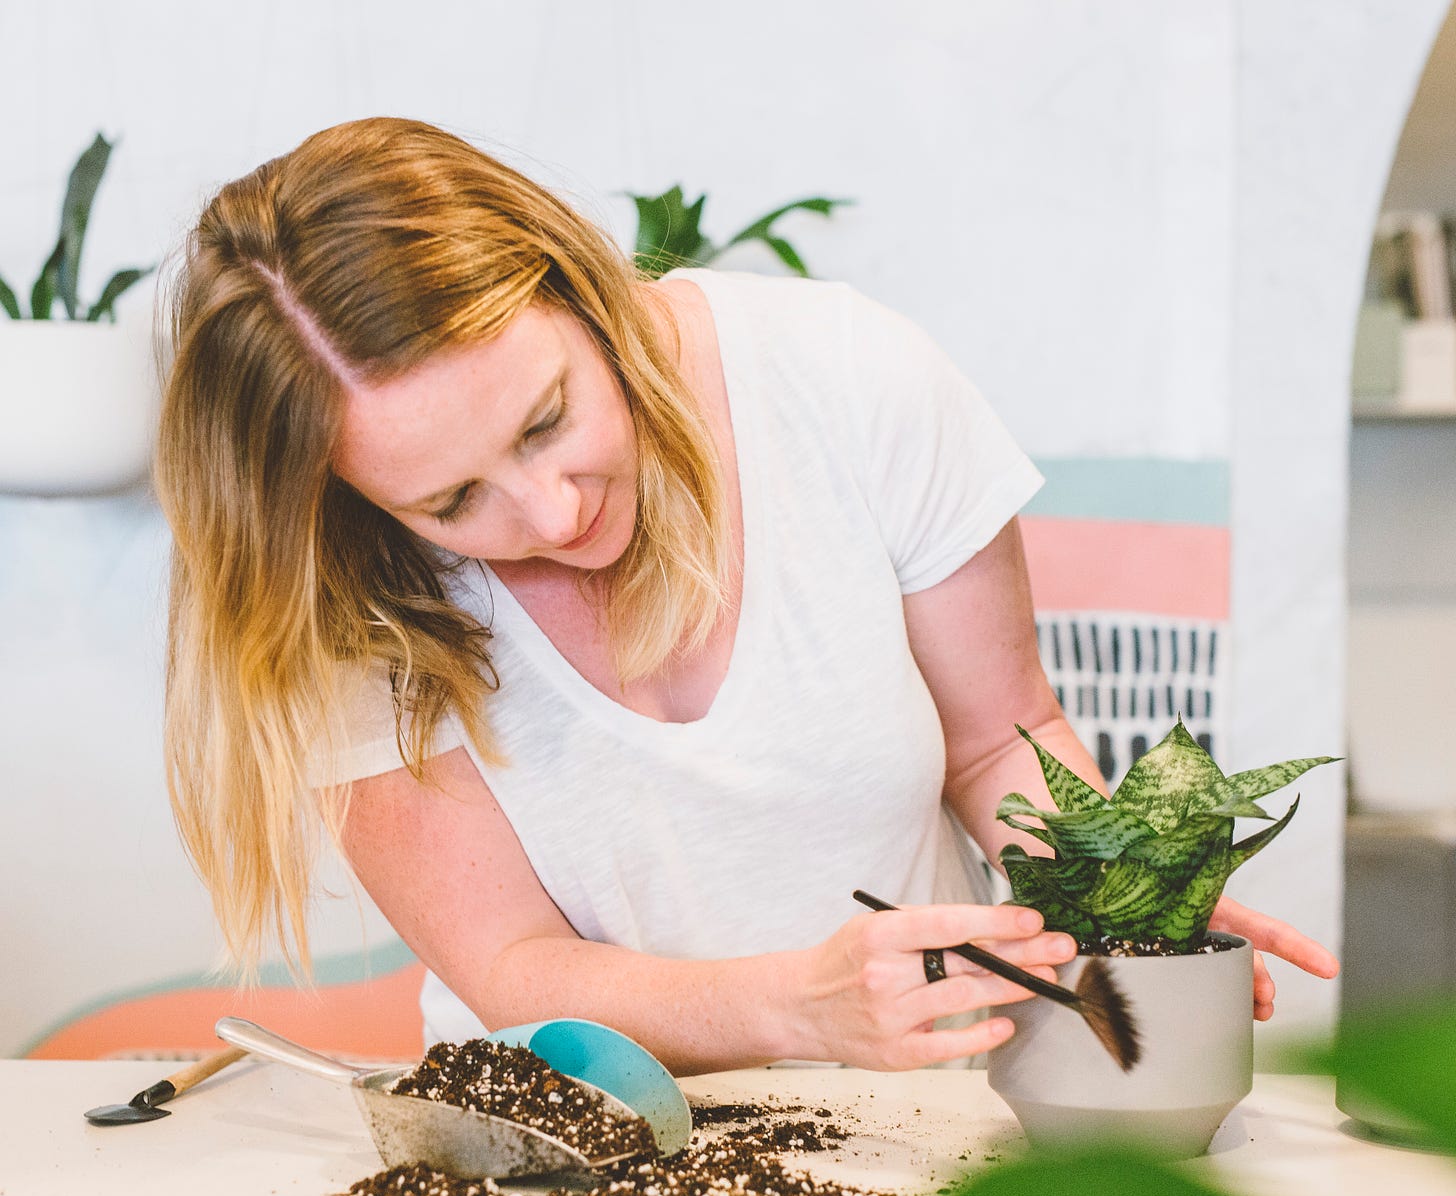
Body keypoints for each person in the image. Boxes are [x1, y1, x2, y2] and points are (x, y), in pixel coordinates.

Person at [154, 116, 1337, 1077]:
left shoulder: (845, 379)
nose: (555, 515)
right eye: (454, 502)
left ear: (577, 288)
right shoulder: (333, 583)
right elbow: (508, 962)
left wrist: (1131, 901)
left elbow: (996, 742)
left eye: (548, 419)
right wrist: (795, 1009)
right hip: (559, 1147)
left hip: (921, 1126)